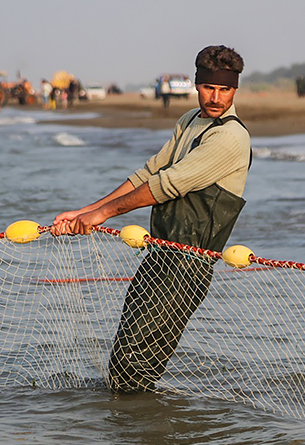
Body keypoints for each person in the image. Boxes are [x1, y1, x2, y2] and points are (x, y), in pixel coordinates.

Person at [51, 45, 251, 393]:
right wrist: (85, 212)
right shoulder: (189, 120)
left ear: (235, 89)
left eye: (224, 89)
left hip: (187, 266)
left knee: (134, 366)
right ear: (196, 83)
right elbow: (149, 172)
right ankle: (131, 434)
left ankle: (143, 440)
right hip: (159, 256)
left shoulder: (231, 137)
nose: (215, 97)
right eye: (208, 87)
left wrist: (101, 215)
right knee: (124, 355)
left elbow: (166, 185)